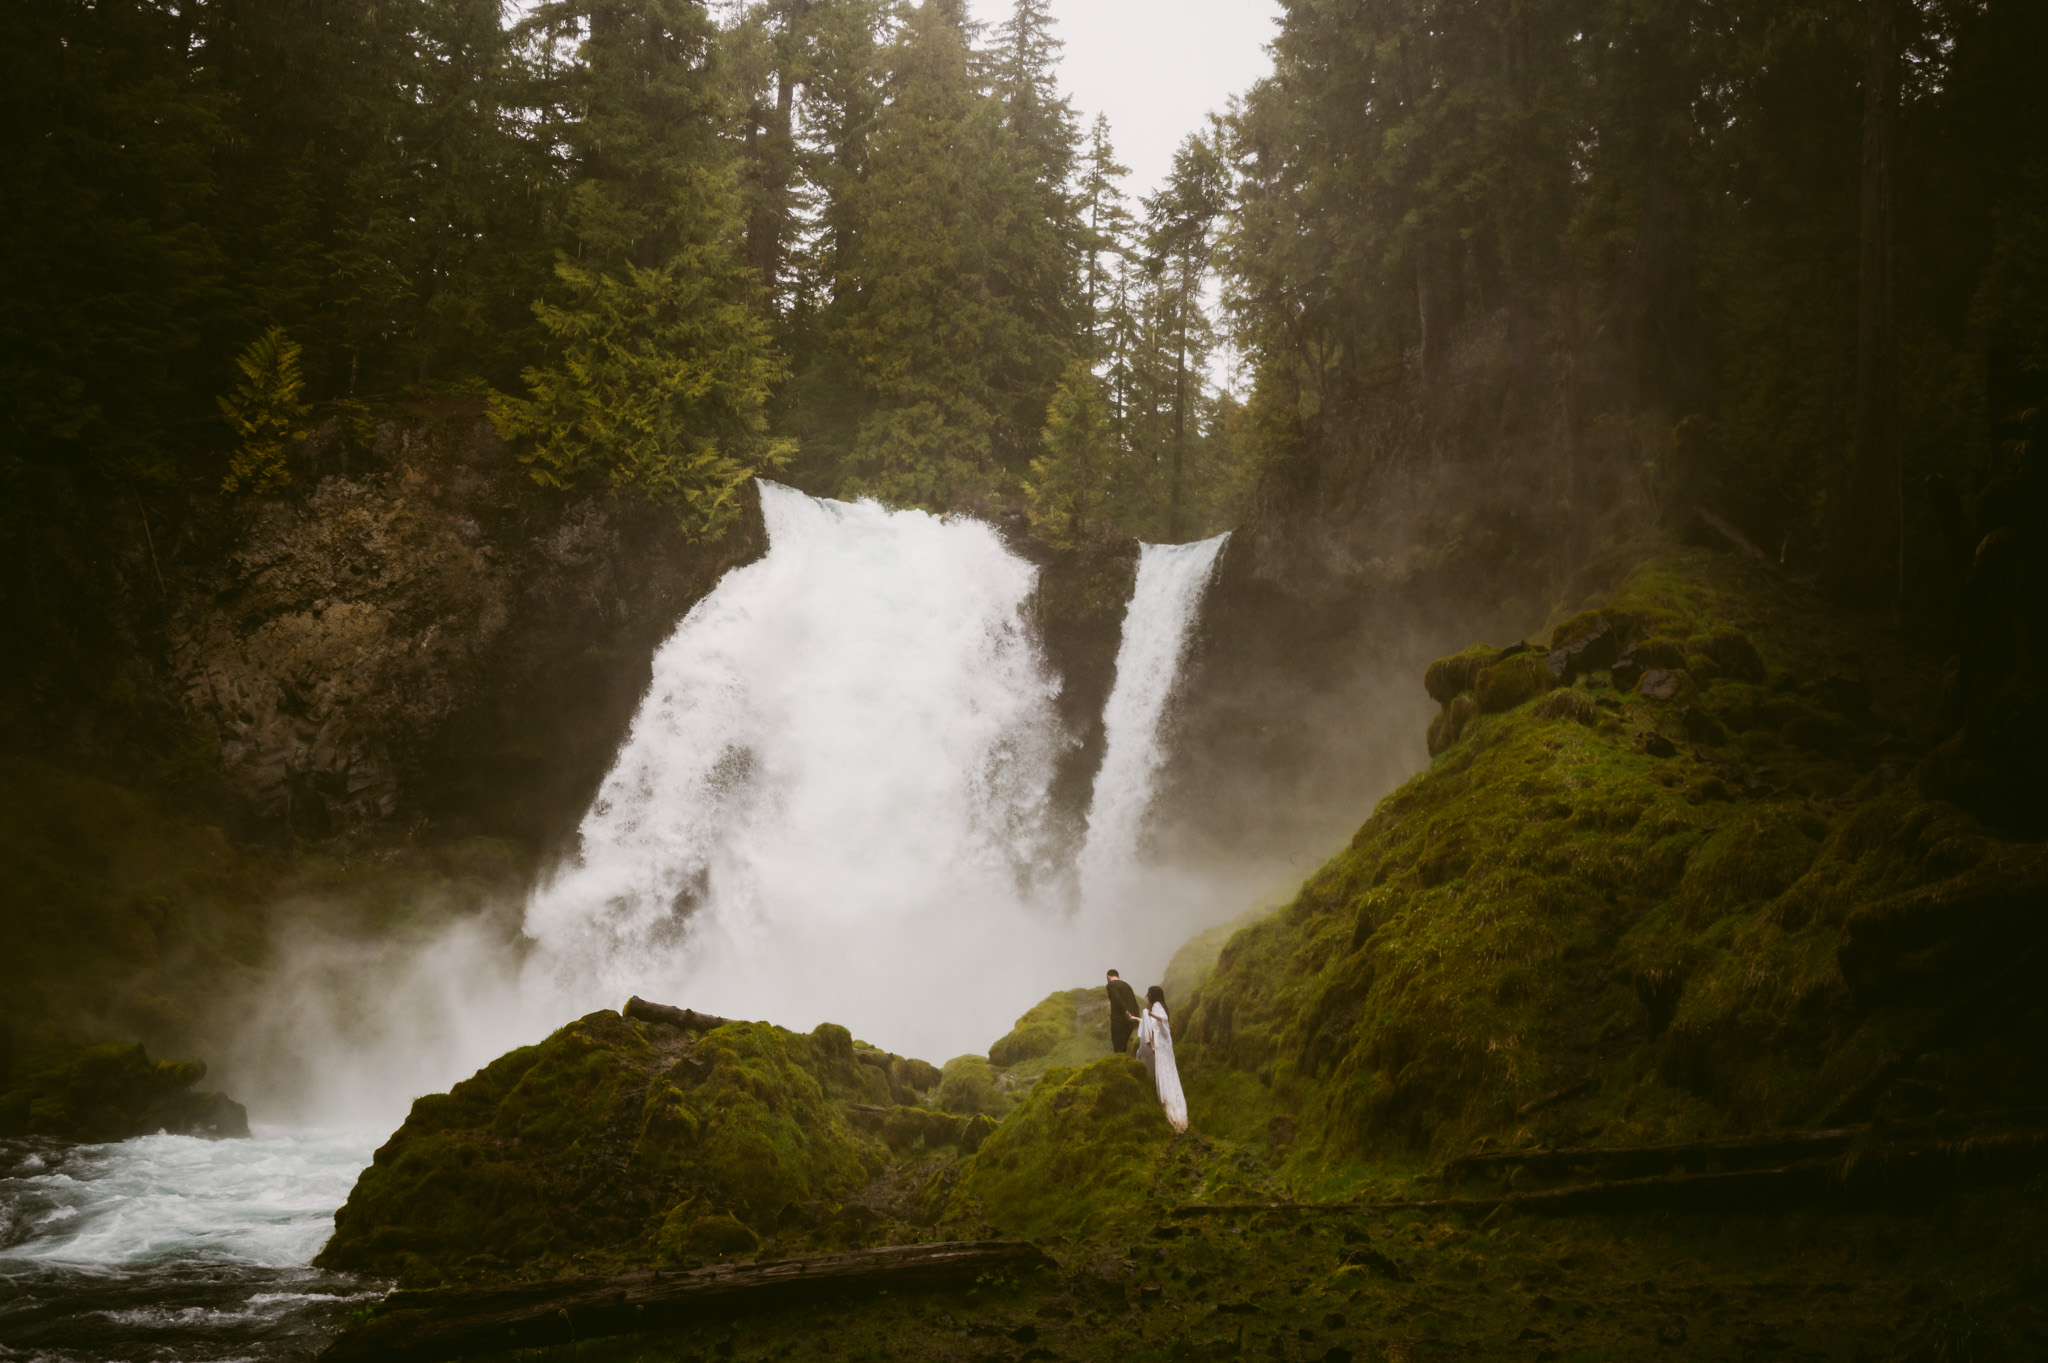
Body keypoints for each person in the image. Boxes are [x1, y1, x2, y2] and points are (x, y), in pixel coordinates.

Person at [1134, 985, 1189, 1133]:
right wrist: (1137, 1017)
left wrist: (1150, 1014)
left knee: (1164, 1071)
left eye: (1149, 993)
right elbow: (1152, 1022)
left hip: (1162, 1046)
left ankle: (1167, 1104)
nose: (1148, 996)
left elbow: (1162, 1018)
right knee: (1168, 1072)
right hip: (1164, 1045)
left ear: (1154, 995)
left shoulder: (1158, 1005)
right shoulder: (1159, 1005)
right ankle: (1170, 1103)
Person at [1105, 969, 1142, 1055]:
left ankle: (1119, 1067)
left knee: (1118, 1049)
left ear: (1108, 977)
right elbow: (1134, 1003)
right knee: (1124, 1047)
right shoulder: (1127, 985)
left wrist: (1126, 1011)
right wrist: (1136, 1020)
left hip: (1118, 1020)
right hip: (1130, 1022)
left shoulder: (1110, 985)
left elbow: (1117, 999)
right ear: (1118, 977)